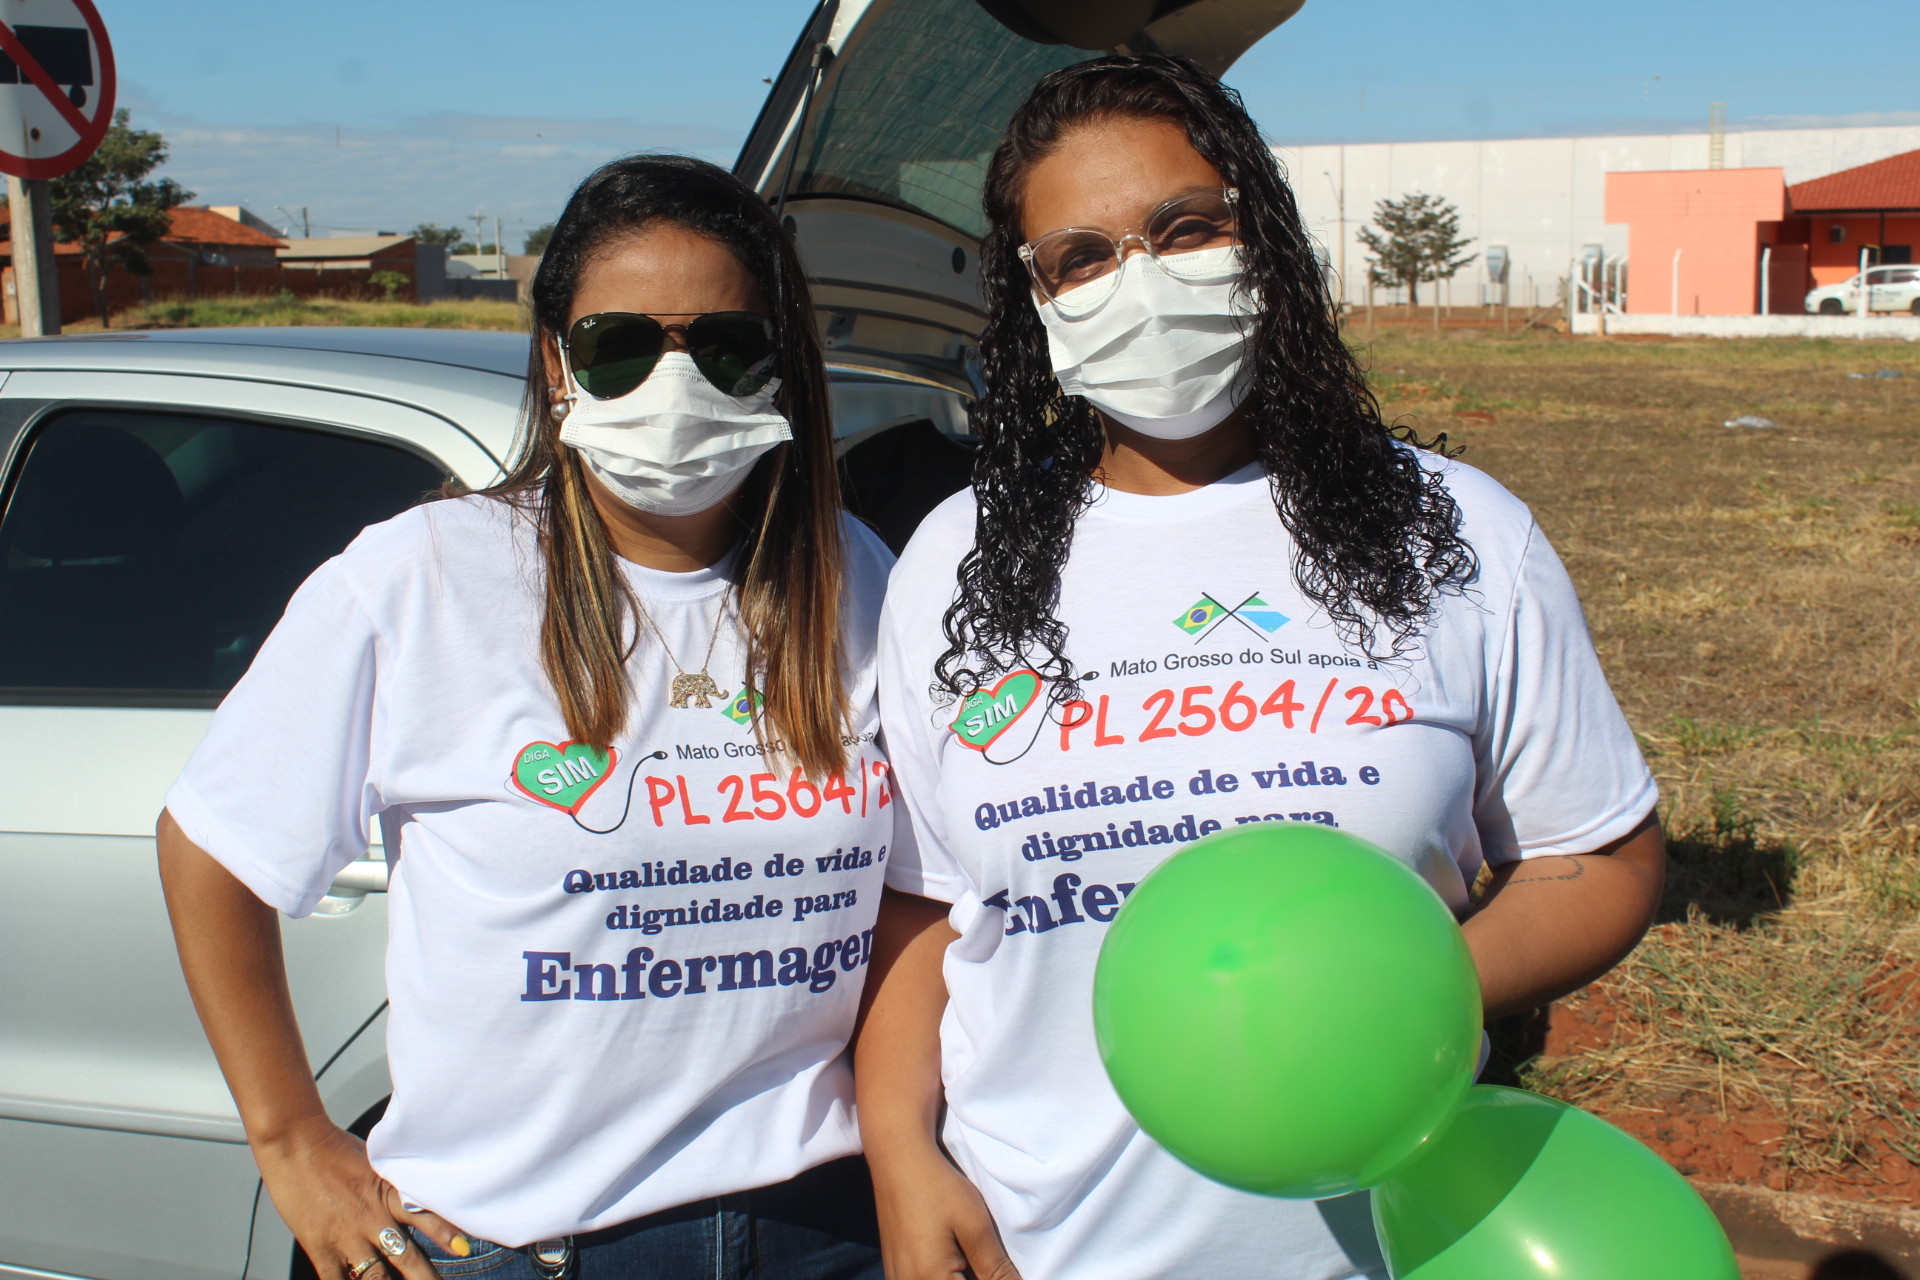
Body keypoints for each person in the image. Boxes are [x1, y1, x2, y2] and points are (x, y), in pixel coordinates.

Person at [860, 55, 1666, 1280]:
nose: (1141, 281)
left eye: (1186, 228)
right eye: (1082, 257)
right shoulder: (956, 562)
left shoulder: (1453, 530)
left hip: (1377, 1239)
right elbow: (925, 908)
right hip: (1041, 1244)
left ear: (1265, 237)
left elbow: (1599, 853)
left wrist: (1402, 980)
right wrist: (900, 1156)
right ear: (1034, 300)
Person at [158, 155, 902, 1280]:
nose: (674, 380)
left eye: (725, 346)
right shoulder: (425, 578)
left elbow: (920, 890)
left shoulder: (852, 577)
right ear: (558, 360)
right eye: (619, 344)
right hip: (525, 1246)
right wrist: (291, 1136)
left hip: (823, 1226)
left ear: (775, 368)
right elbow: (212, 845)